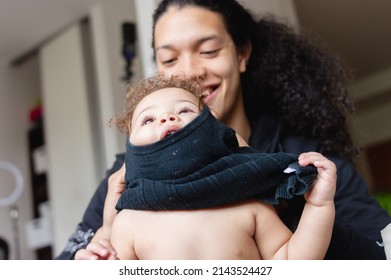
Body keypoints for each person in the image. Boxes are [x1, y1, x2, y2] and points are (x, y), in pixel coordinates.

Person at [56, 0, 391, 260]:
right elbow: (68, 261)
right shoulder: (123, 180)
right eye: (169, 60)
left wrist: (294, 210)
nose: (188, 73)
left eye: (209, 51)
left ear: (242, 54)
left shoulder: (306, 162)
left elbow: (379, 255)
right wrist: (99, 245)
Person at [109, 73, 336, 260]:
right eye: (148, 120)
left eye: (184, 110)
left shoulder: (248, 206)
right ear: (131, 150)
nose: (167, 117)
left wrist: (319, 205)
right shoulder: (128, 223)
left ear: (211, 130)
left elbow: (291, 263)